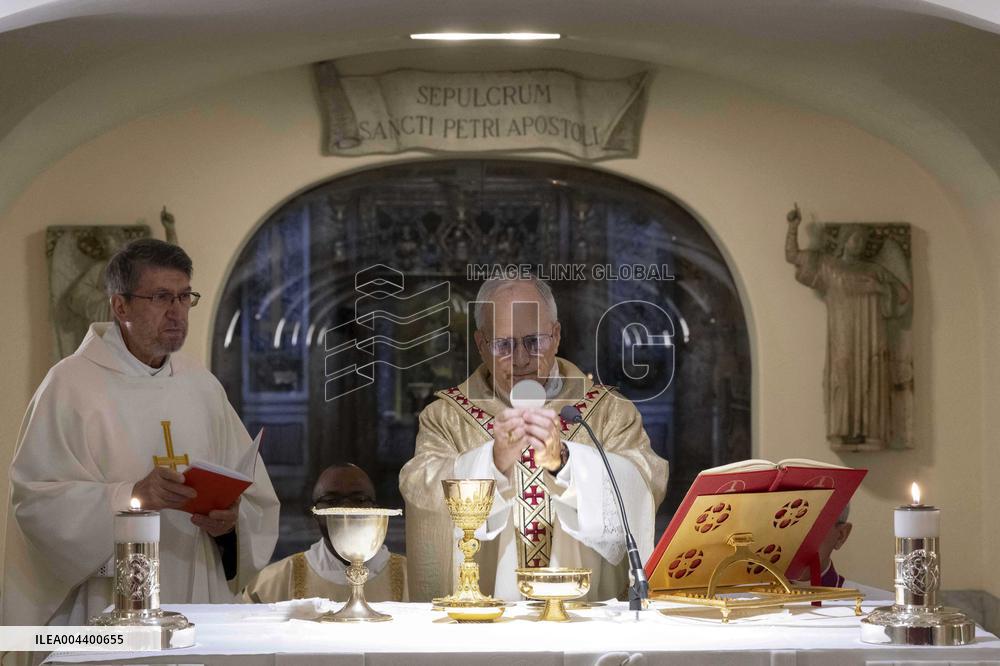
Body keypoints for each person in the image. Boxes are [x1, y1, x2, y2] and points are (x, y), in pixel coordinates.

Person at [1, 238, 280, 628]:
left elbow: (254, 496)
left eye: (185, 297)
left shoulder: (201, 384)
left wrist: (230, 524)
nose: (177, 312)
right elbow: (35, 503)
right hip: (107, 601)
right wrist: (132, 495)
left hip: (197, 594)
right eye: (162, 297)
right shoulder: (70, 385)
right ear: (120, 305)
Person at [399, 277, 668, 601]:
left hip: (586, 617)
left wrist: (568, 463)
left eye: (534, 341)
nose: (521, 359)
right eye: (503, 345)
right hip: (485, 620)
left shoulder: (608, 411)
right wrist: (493, 462)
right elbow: (419, 486)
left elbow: (646, 479)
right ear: (481, 343)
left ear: (555, 336)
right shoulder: (447, 417)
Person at [786, 206, 911, 449]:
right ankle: (842, 430)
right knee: (842, 373)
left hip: (873, 335)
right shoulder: (828, 265)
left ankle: (873, 432)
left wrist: (882, 289)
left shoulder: (874, 270)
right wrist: (793, 227)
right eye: (855, 238)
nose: (859, 244)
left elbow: (903, 295)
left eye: (863, 240)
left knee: (872, 374)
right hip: (843, 333)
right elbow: (793, 256)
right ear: (844, 241)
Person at [242, 464, 407, 603]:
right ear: (314, 513)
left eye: (360, 499)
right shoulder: (273, 583)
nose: (346, 509)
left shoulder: (410, 577)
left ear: (376, 510)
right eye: (331, 501)